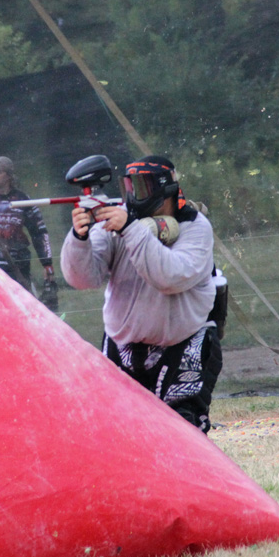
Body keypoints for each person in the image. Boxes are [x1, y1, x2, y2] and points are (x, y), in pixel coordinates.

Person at [60, 155, 221, 432]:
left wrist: (130, 229)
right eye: (130, 186)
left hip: (181, 344)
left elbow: (170, 277)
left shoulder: (194, 226)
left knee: (184, 430)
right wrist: (80, 237)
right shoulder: (120, 219)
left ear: (165, 188)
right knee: (117, 432)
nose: (134, 195)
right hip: (123, 345)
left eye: (142, 187)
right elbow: (83, 278)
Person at [0, 156, 57, 309]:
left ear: (8, 175)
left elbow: (39, 232)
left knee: (21, 305)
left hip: (19, 261)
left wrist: (47, 263)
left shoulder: (23, 199)